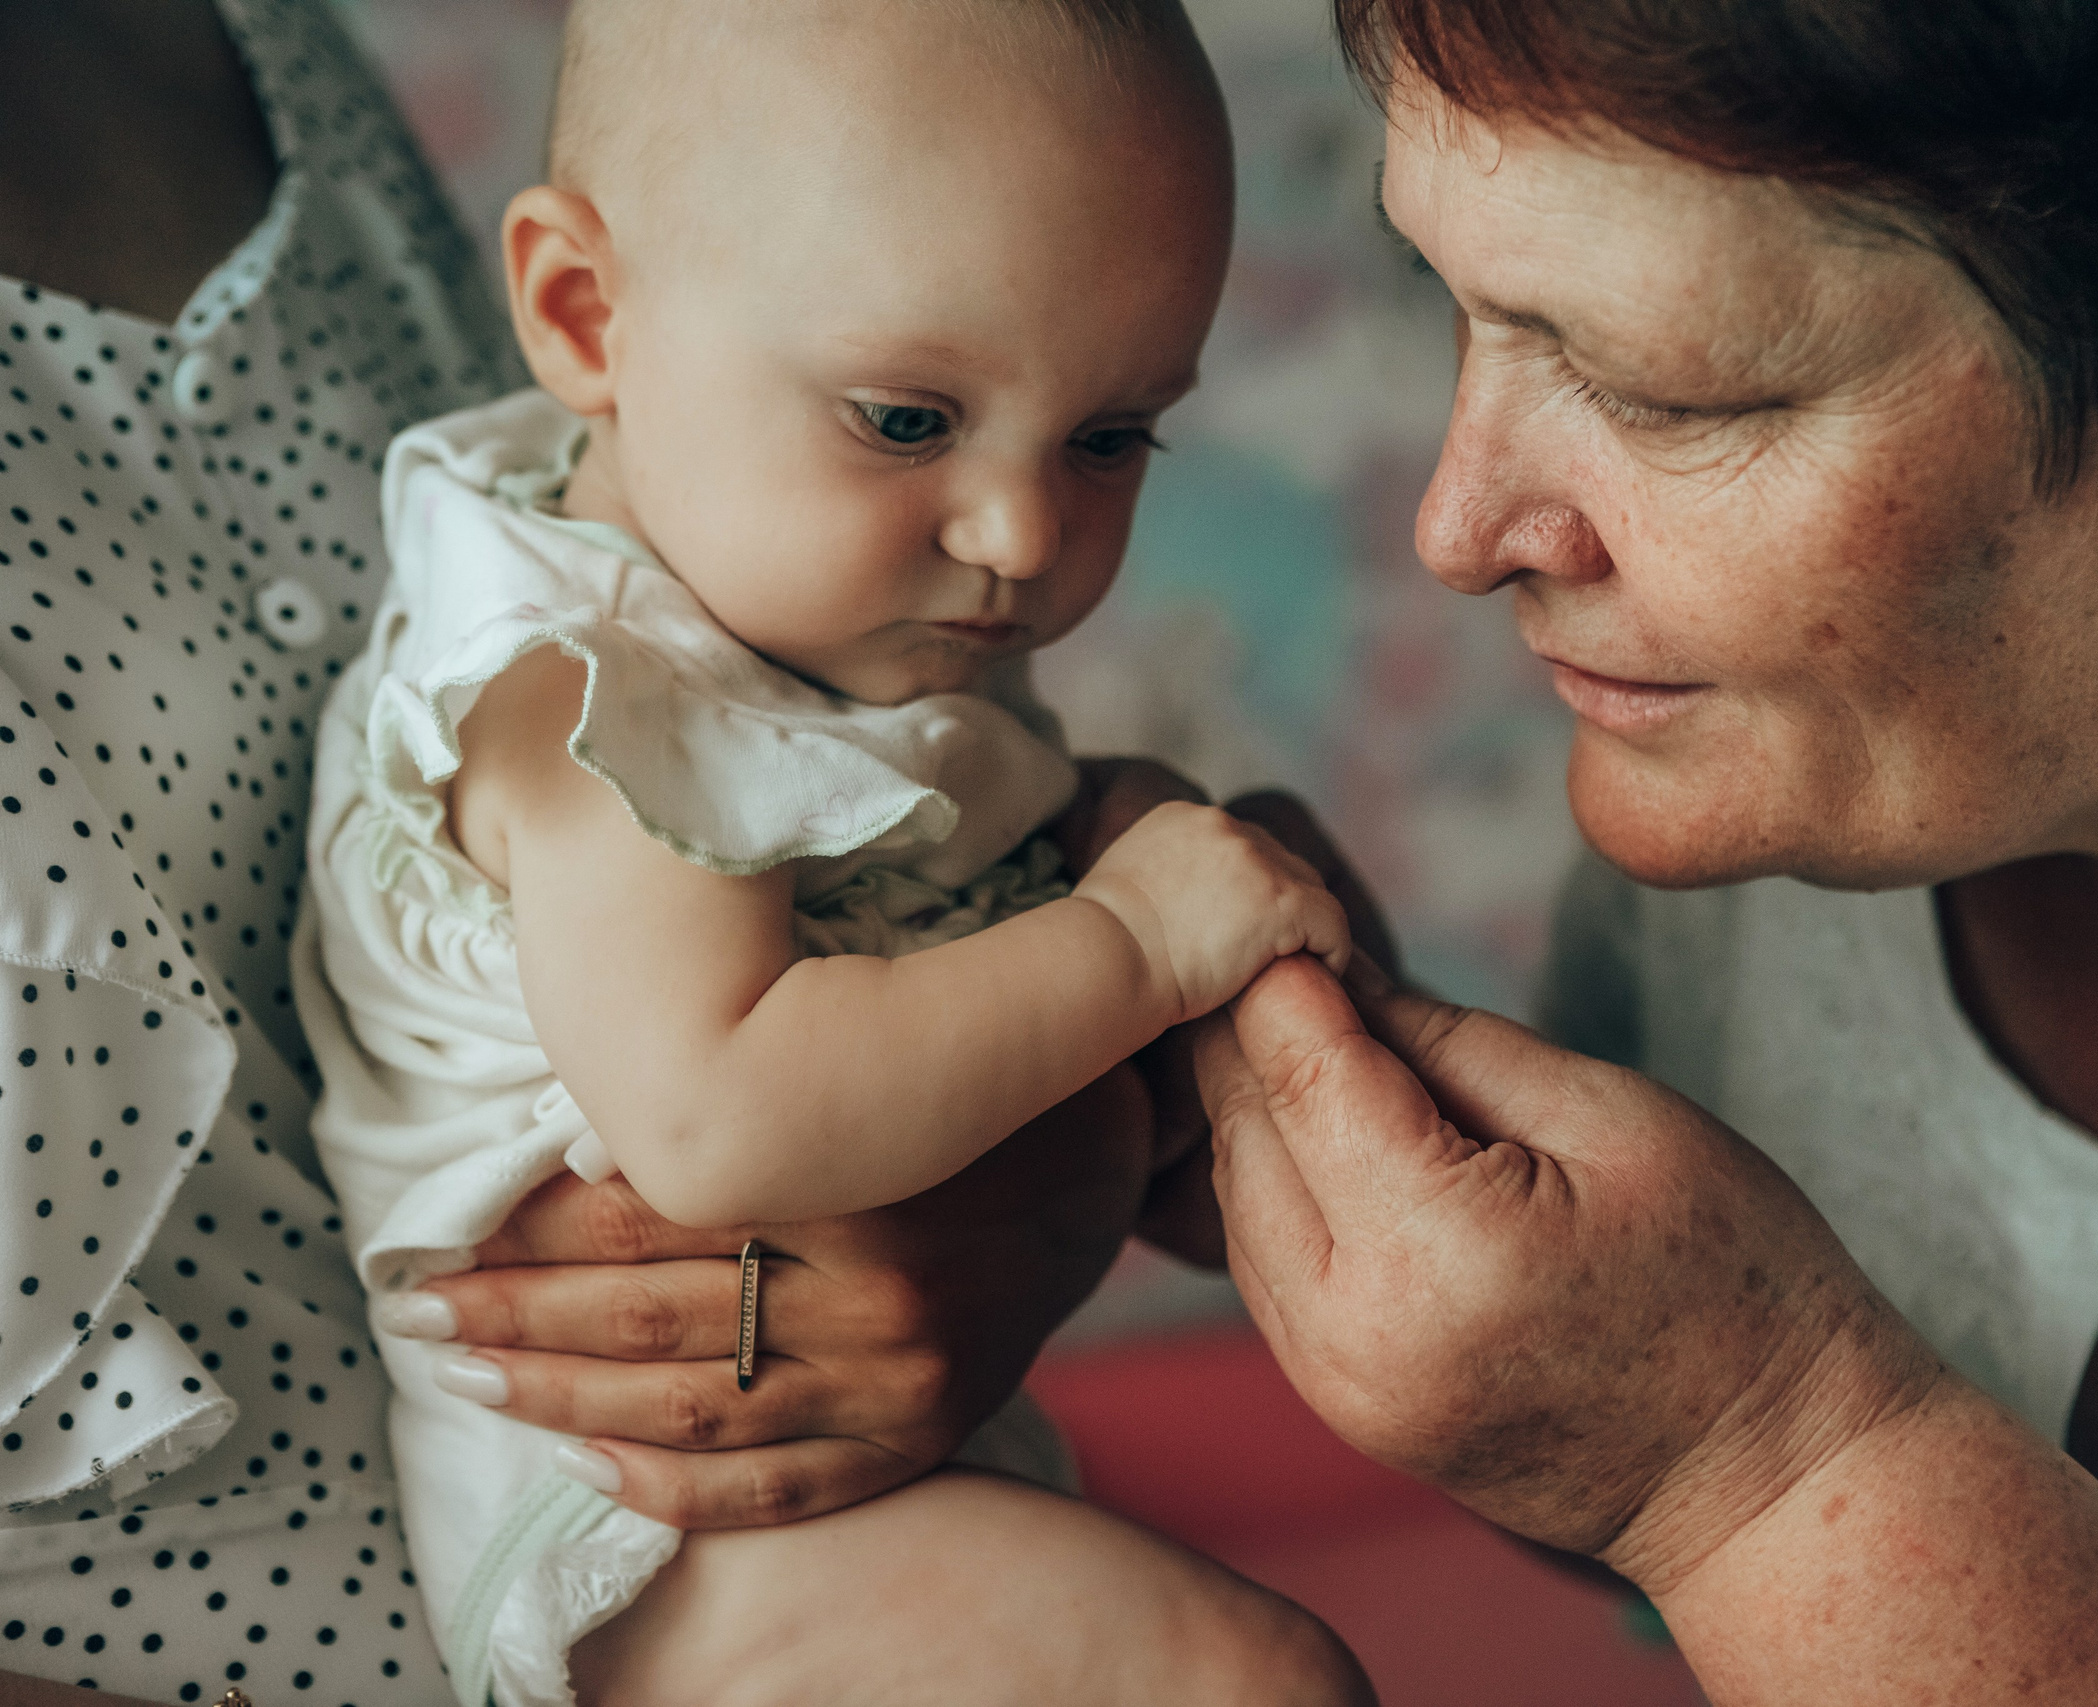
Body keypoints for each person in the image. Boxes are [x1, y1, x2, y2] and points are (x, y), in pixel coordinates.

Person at [1180, 2, 2098, 1703]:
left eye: (1659, 385)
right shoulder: (1833, 764)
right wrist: (1406, 1268)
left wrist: (1757, 1465)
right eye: (1452, 306)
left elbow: (1727, 1501)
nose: (1460, 529)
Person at [0, 3, 1365, 1703]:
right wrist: (1137, 949)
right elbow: (727, 1116)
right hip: (642, 1533)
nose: (1021, 536)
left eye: (1108, 438)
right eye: (903, 420)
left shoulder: (786, 588)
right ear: (585, 316)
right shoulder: (600, 705)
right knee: (1245, 1681)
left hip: (789, 1470)